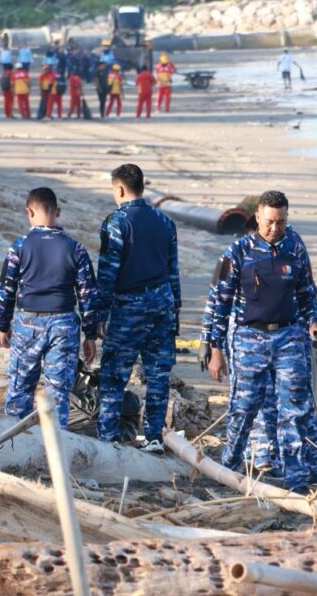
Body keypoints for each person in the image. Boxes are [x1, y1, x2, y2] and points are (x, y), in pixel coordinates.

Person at [206, 190, 317, 492]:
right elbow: (218, 304)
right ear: (258, 217)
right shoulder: (238, 253)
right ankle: (229, 466)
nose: (275, 229)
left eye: (282, 222)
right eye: (270, 222)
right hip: (250, 338)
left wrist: (314, 323)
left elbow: (307, 293)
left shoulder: (295, 247)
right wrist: (215, 350)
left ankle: (296, 480)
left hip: (289, 337)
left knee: (295, 411)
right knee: (244, 407)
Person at [0, 187, 99, 429]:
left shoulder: (19, 247)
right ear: (58, 212)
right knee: (58, 393)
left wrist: (3, 325)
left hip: (27, 324)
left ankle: (14, 445)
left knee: (20, 390)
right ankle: (57, 449)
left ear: (29, 212)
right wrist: (90, 334)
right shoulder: (76, 248)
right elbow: (87, 295)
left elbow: (6, 290)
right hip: (63, 324)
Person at [96, 164, 180, 451]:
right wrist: (175, 312)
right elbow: (173, 272)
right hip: (162, 304)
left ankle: (108, 438)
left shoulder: (117, 222)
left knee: (114, 374)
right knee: (158, 375)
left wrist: (99, 314)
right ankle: (154, 436)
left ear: (119, 189)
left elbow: (108, 273)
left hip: (129, 306)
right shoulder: (165, 222)